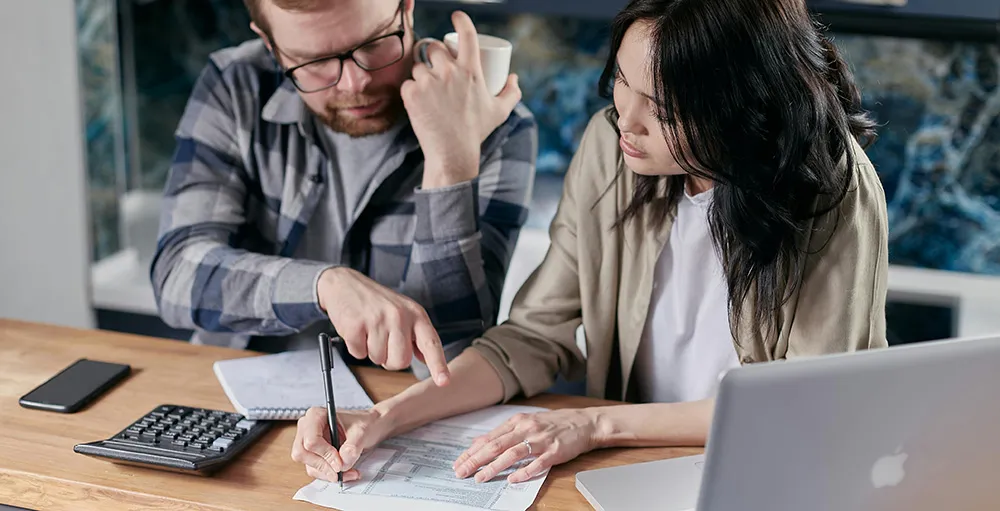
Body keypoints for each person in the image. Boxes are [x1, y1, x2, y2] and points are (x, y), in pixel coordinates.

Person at [291, 0, 889, 485]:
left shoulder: (832, 187)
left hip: (770, 476)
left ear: (740, 108)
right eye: (623, 84)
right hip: (628, 473)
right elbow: (530, 337)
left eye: (662, 109)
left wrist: (597, 426)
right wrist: (385, 417)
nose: (625, 119)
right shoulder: (611, 148)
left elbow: (805, 406)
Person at [150, 0, 537, 383]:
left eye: (374, 44)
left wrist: (450, 165)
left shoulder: (496, 125)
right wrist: (324, 287)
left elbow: (453, 364)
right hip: (233, 388)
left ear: (407, 10)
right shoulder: (237, 84)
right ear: (271, 46)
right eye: (314, 62)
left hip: (398, 412)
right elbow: (177, 279)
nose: (356, 83)